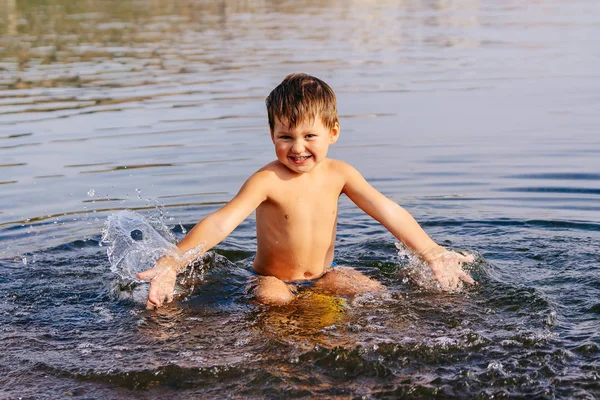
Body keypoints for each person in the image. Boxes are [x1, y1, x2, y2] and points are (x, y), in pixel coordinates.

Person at [137, 73, 475, 309]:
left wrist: (432, 252)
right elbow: (221, 223)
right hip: (272, 278)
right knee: (276, 302)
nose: (297, 148)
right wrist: (173, 262)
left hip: (325, 275)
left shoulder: (340, 174)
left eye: (309, 136)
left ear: (333, 132)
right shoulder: (267, 180)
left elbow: (387, 211)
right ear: (272, 136)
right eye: (286, 137)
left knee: (379, 296)